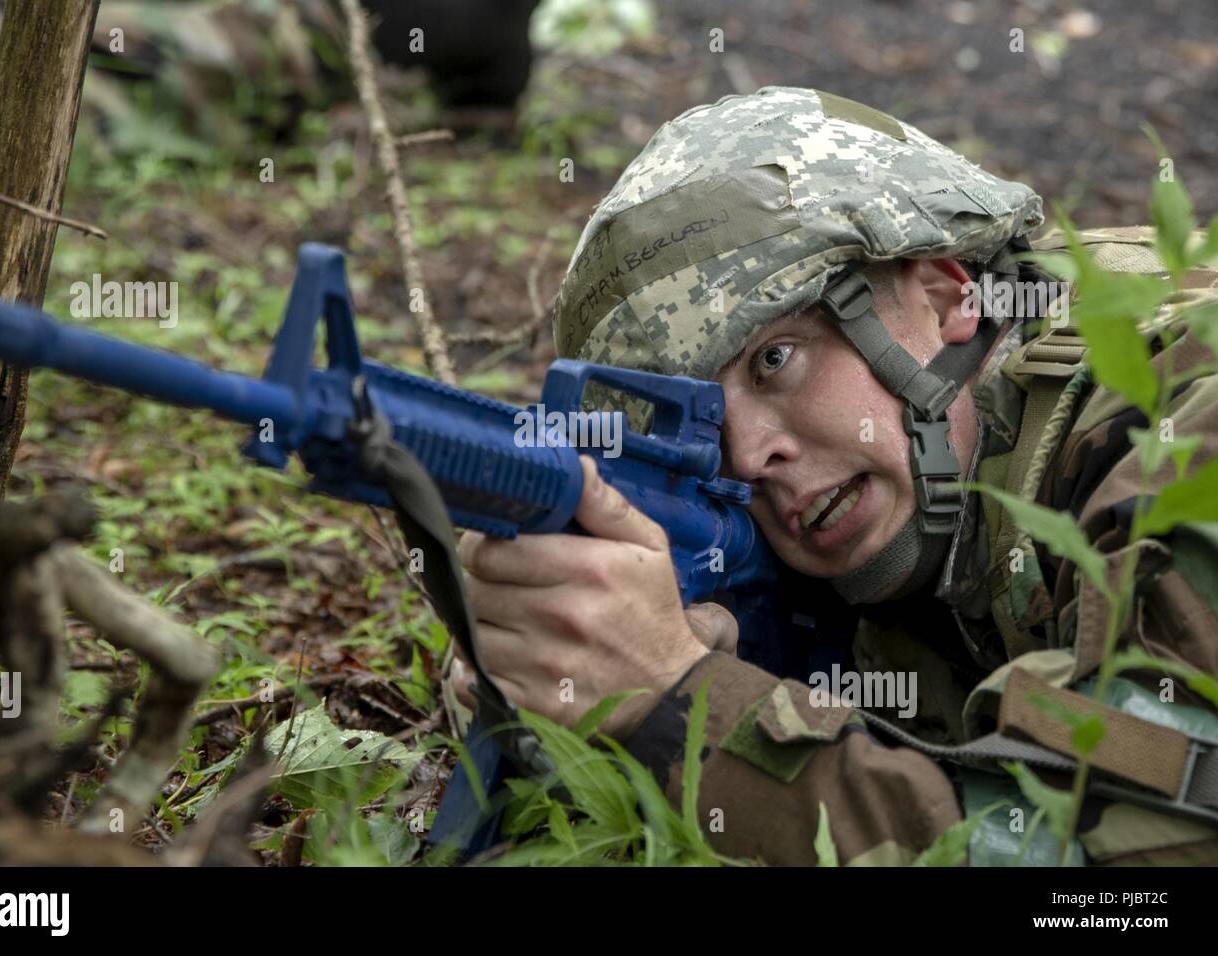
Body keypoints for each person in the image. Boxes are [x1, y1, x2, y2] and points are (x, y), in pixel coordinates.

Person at [448, 86, 1218, 865]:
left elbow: (1129, 877)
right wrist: (573, 673)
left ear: (943, 292)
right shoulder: (916, 512)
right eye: (704, 425)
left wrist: (683, 701)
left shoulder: (1178, 429)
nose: (748, 458)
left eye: (776, 359)